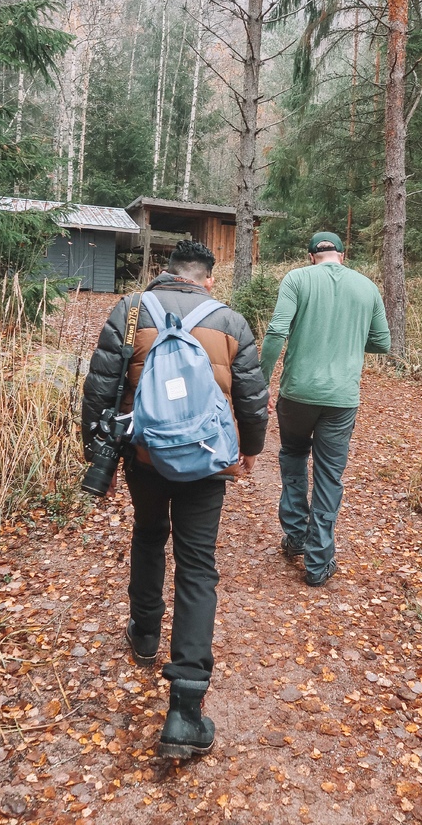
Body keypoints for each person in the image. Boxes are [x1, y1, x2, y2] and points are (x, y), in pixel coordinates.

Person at [82, 240, 268, 758]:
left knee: (147, 536)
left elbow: (98, 390)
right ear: (208, 279)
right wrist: (249, 451)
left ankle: (144, 633)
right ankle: (185, 709)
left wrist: (99, 458)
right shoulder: (230, 321)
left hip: (145, 456)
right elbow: (252, 397)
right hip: (208, 463)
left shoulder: (131, 309)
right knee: (197, 566)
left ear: (166, 273)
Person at [260, 231, 391, 587]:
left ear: (311, 256)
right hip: (341, 399)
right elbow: (382, 341)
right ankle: (318, 564)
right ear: (343, 256)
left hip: (297, 394)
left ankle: (296, 536)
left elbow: (275, 333)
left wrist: (259, 381)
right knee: (329, 475)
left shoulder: (297, 279)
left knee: (293, 455)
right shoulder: (367, 287)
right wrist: (347, 336)